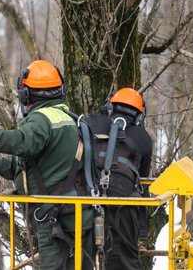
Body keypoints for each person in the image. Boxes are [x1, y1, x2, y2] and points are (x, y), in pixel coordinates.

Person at [0, 60, 94, 270]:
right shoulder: (69, 118)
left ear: (27, 96)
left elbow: (21, 142)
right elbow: (41, 166)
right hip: (79, 214)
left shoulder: (41, 120)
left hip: (55, 218)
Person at [86, 88, 153, 270]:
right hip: (123, 201)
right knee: (125, 254)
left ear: (109, 107)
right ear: (139, 116)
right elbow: (144, 176)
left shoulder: (90, 122)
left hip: (85, 197)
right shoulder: (144, 138)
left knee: (82, 252)